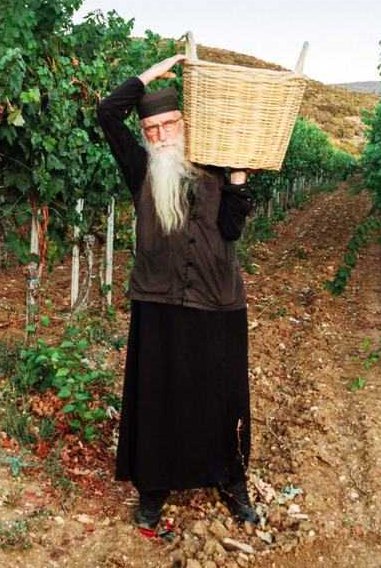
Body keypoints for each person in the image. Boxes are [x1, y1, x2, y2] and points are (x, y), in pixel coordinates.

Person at [95, 54, 260, 535]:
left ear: (184, 124)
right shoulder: (140, 171)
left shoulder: (213, 167)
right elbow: (107, 112)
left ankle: (232, 482)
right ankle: (153, 493)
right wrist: (151, 74)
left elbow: (231, 230)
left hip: (217, 299)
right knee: (159, 398)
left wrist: (238, 178)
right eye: (151, 129)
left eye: (169, 124)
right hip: (159, 301)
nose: (162, 135)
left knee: (222, 396)